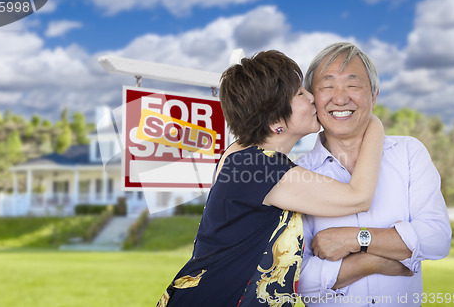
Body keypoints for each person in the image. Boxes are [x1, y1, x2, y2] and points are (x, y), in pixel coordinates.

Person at [157, 50, 384, 307]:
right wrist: (372, 122)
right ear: (275, 117)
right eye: (300, 93)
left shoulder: (240, 154)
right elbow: (359, 197)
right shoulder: (260, 167)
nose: (312, 98)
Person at [295, 42, 452, 306]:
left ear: (374, 96)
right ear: (312, 99)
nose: (340, 97)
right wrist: (372, 261)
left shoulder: (409, 153)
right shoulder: (298, 174)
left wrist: (355, 239)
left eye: (353, 85)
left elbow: (437, 238)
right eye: (327, 86)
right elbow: (298, 280)